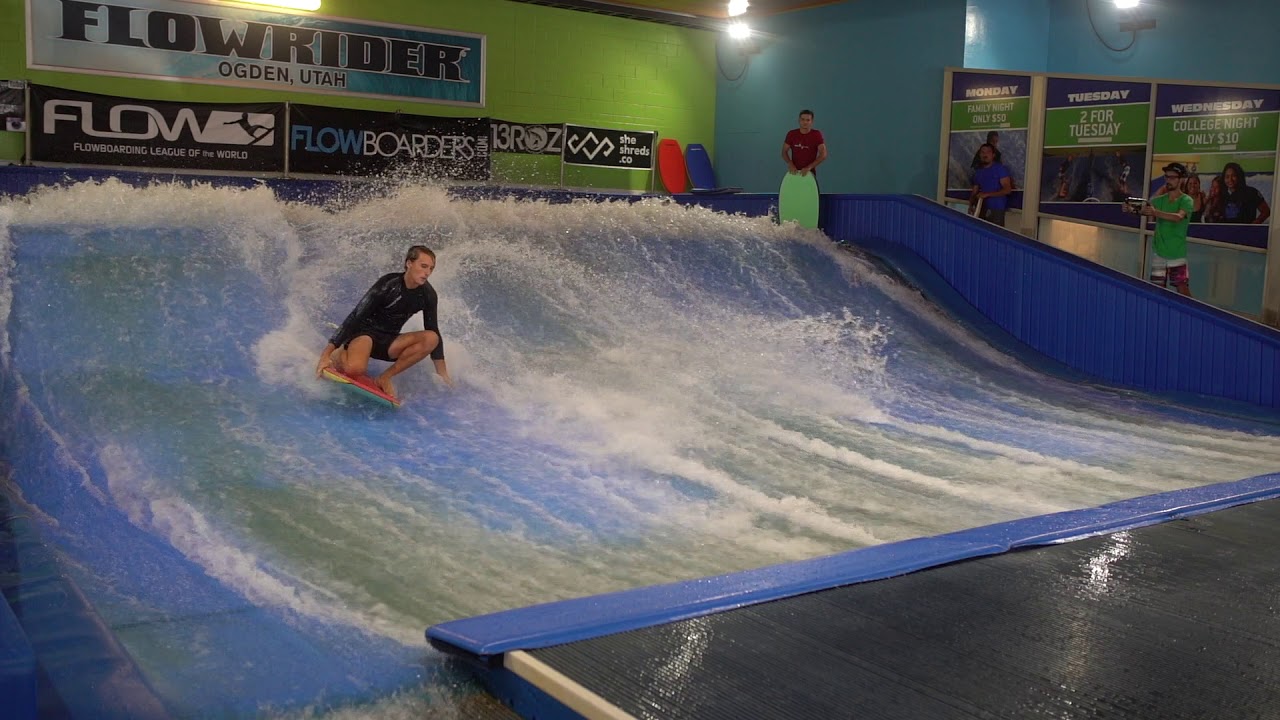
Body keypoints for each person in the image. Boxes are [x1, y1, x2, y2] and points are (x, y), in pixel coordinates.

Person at [316, 245, 452, 400]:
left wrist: (443, 375)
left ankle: (385, 377)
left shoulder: (428, 295)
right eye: (423, 266)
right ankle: (339, 353)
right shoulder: (388, 284)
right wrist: (325, 354)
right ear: (409, 263)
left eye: (431, 268)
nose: (427, 272)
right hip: (363, 334)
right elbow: (356, 316)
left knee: (431, 337)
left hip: (389, 341)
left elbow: (433, 330)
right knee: (354, 369)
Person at [1137, 162, 1194, 297]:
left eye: (1172, 177)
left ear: (1181, 180)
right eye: (1166, 177)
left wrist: (1155, 213)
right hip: (1159, 253)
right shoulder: (1160, 200)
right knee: (1157, 291)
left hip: (1177, 254)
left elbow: (1178, 217)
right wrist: (1130, 208)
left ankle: (1192, 317)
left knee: (1182, 290)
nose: (1168, 180)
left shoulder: (1186, 200)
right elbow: (1145, 208)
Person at [968, 143, 1012, 226]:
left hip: (997, 208)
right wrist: (971, 205)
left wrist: (987, 194)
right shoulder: (978, 172)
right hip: (982, 208)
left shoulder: (1000, 169)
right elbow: (974, 191)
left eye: (988, 152)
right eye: (982, 152)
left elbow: (1007, 190)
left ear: (993, 155)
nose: (985, 155)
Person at [781, 109, 827, 181]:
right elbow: (784, 152)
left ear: (812, 122)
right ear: (799, 120)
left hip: (809, 174)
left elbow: (823, 154)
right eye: (802, 119)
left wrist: (809, 167)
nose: (805, 122)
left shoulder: (816, 134)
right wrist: (790, 163)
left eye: (808, 120)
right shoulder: (791, 134)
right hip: (794, 172)